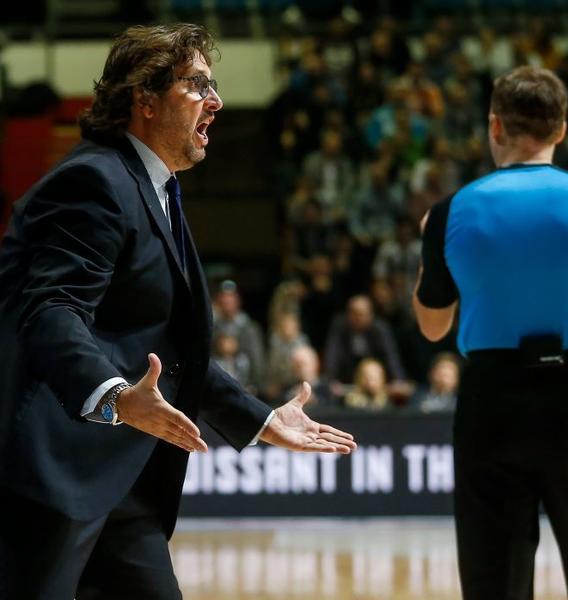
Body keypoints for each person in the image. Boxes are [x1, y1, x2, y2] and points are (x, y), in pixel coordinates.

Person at [0, 23, 356, 600]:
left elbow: (169, 349)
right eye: (198, 85)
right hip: (53, 473)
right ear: (144, 98)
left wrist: (261, 420)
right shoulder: (93, 181)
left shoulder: (153, 186)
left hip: (120, 483)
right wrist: (116, 397)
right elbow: (51, 309)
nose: (216, 101)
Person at [413, 65, 568, 599]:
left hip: (493, 403)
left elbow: (432, 327)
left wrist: (432, 256)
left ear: (495, 125)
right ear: (561, 130)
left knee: (494, 581)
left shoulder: (449, 213)